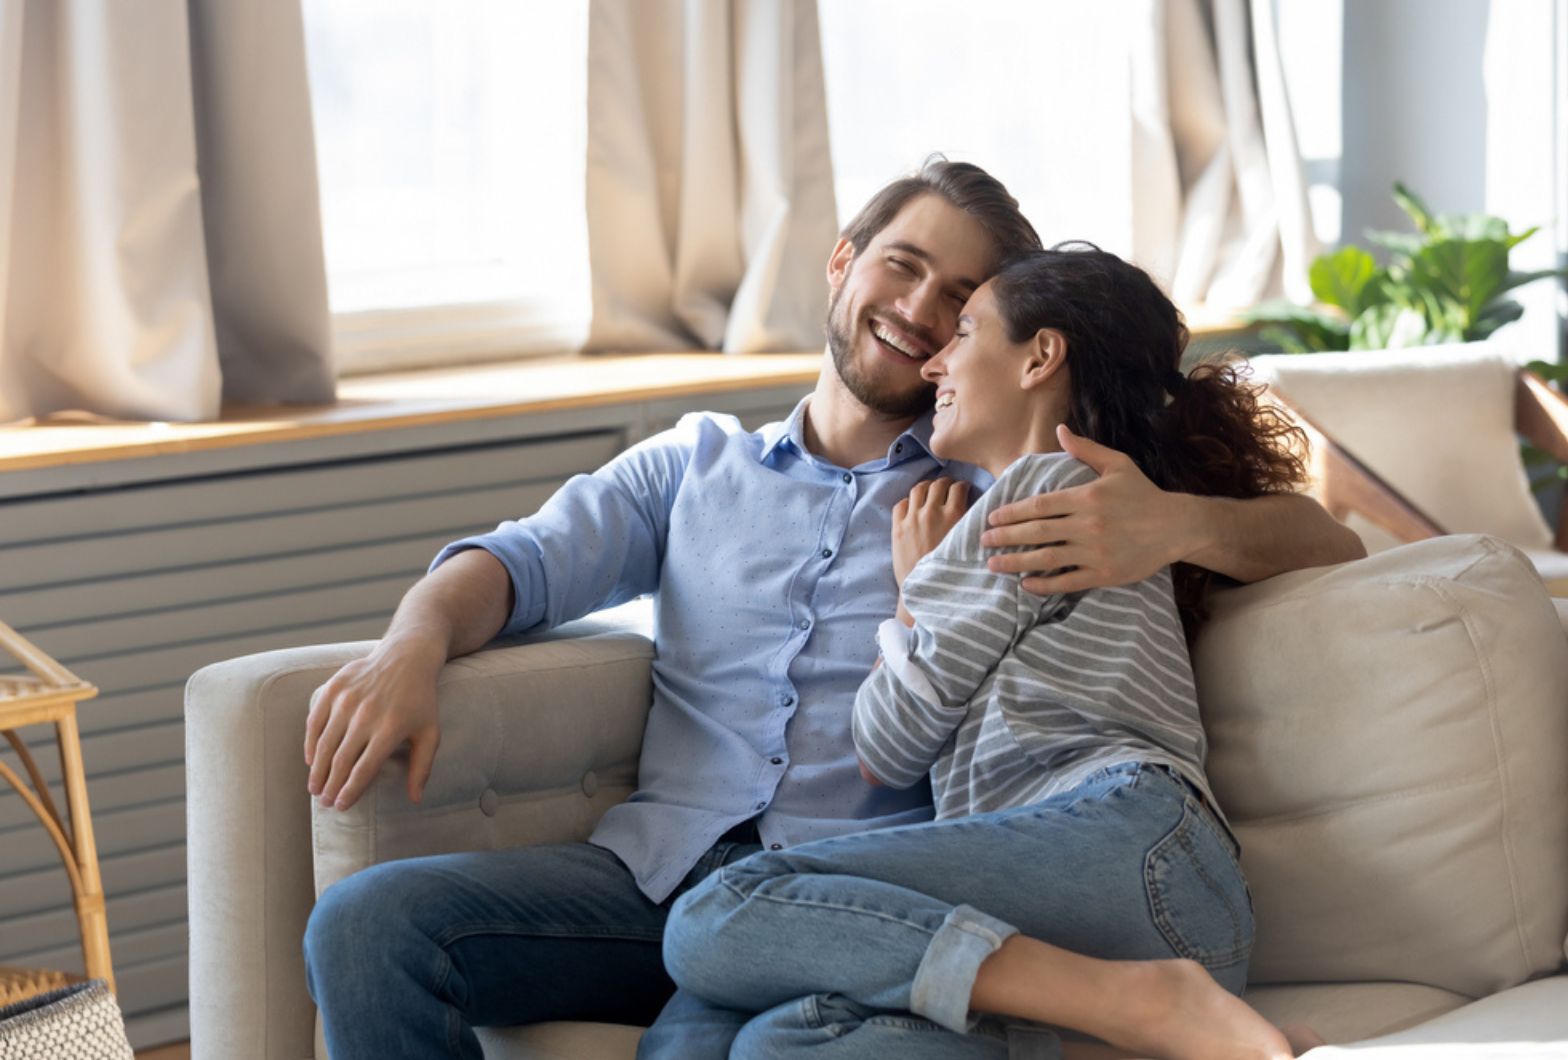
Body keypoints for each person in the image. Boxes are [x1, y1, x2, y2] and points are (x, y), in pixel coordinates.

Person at [300, 159, 1363, 1058]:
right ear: (842, 260)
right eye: (904, 265)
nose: (921, 314)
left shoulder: (1000, 484)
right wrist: (412, 642)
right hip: (653, 874)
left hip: (858, 893)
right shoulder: (692, 465)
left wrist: (1175, 524)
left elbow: (1322, 538)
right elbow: (521, 562)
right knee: (366, 922)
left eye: (961, 299)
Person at [648, 244, 1321, 1059]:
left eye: (963, 331)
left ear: (1040, 356)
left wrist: (912, 589)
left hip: (1127, 839)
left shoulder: (1038, 493)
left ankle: (1144, 1000)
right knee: (777, 1039)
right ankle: (1102, 1021)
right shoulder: (1081, 500)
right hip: (1143, 907)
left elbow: (885, 748)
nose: (935, 363)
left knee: (716, 913)